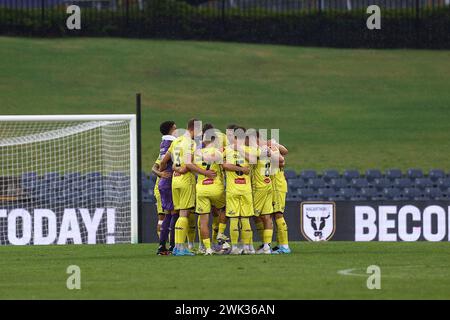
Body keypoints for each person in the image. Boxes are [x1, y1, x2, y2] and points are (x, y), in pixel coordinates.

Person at [160, 119, 199, 256]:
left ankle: (176, 247)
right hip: (186, 181)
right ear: (194, 129)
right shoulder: (192, 143)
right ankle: (180, 248)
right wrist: (203, 172)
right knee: (184, 214)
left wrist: (164, 173)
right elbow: (189, 164)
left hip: (174, 181)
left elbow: (164, 161)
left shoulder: (176, 141)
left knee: (178, 214)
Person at [222, 126, 254, 255]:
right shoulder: (248, 150)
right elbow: (254, 160)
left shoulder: (227, 150)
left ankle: (235, 247)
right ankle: (247, 248)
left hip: (232, 189)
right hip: (246, 189)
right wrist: (242, 169)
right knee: (245, 219)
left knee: (234, 218)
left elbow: (222, 164)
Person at [154, 121, 177, 255]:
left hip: (164, 183)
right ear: (171, 129)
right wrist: (163, 173)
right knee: (174, 214)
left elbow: (159, 164)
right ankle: (173, 246)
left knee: (168, 215)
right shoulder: (172, 144)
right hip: (168, 183)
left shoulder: (163, 144)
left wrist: (161, 173)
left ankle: (162, 247)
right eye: (174, 127)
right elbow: (161, 164)